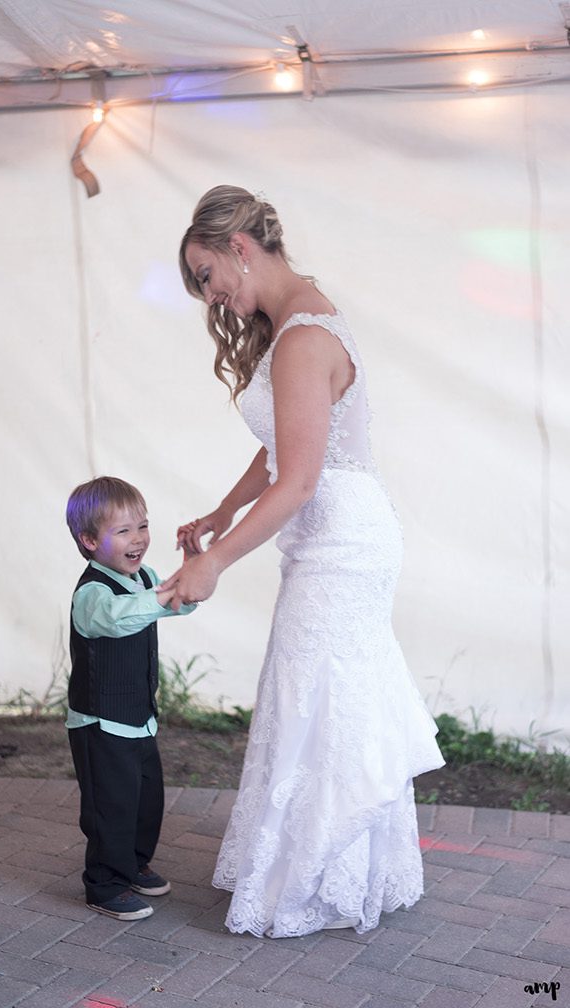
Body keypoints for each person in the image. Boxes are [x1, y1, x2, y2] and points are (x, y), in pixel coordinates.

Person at [161, 185, 443, 938]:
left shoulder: (302, 337)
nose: (208, 293)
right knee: (314, 695)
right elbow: (288, 439)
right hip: (336, 533)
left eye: (206, 273)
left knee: (318, 696)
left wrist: (216, 561)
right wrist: (222, 510)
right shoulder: (299, 320)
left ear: (239, 249)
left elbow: (301, 479)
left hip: (341, 540)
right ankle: (333, 868)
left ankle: (320, 880)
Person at [64, 476, 196, 922]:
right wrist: (159, 597)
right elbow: (119, 619)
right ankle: (104, 883)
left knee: (145, 799)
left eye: (142, 525)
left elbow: (180, 602)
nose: (138, 538)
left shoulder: (146, 577)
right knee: (111, 805)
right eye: (123, 530)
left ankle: (134, 864)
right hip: (99, 720)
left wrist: (192, 568)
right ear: (89, 540)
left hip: (138, 717)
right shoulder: (92, 593)